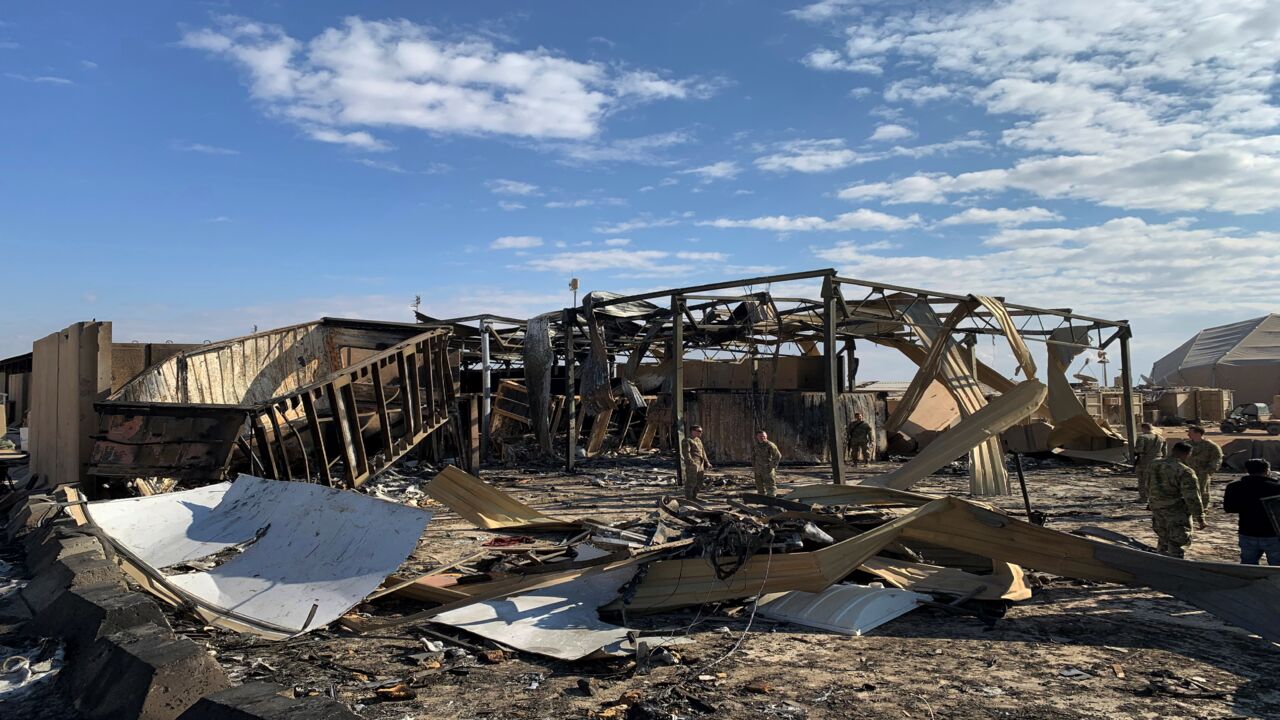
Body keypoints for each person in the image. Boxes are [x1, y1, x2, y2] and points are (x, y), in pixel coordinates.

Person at [1146, 442, 1206, 558]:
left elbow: (1147, 485)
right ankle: (1175, 564)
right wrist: (1200, 517)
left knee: (1163, 537)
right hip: (1175, 509)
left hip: (1157, 507)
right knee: (1178, 540)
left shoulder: (1153, 464)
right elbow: (1192, 496)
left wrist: (1152, 501)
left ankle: (1160, 561)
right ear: (1187, 454)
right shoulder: (1184, 471)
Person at [1223, 458, 1280, 565]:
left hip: (1247, 532)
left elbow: (1229, 508)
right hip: (1272, 534)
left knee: (1248, 567)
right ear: (1267, 470)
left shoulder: (1234, 487)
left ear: (1247, 470)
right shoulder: (1276, 487)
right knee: (1276, 568)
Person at [1186, 425, 1223, 505]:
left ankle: (1203, 507)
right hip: (1188, 471)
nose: (1188, 434)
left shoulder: (1211, 446)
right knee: (1187, 490)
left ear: (1198, 433)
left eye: (1190, 432)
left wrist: (1210, 469)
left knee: (1203, 491)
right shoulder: (1186, 445)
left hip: (1203, 471)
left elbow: (1217, 458)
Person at [1133, 423, 1166, 503]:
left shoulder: (1142, 437)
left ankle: (1144, 498)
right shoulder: (1161, 438)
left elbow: (1139, 450)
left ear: (1143, 428)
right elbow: (1164, 452)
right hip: (1158, 461)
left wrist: (1134, 451)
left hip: (1145, 462)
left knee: (1143, 480)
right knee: (1156, 480)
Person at [681, 425, 711, 500]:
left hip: (700, 463)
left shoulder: (698, 440)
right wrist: (691, 462)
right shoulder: (687, 440)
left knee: (699, 481)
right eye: (699, 431)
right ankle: (688, 498)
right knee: (691, 482)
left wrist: (707, 462)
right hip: (693, 463)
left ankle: (694, 496)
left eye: (701, 431)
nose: (701, 433)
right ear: (693, 431)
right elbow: (686, 453)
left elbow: (703, 452)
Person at [751, 429, 782, 497]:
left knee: (770, 486)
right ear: (757, 437)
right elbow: (753, 456)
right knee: (759, 486)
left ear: (766, 436)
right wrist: (754, 465)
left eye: (764, 436)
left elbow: (778, 456)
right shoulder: (756, 446)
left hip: (767, 470)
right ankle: (762, 500)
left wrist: (771, 466)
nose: (762, 438)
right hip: (758, 469)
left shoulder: (770, 445)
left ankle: (771, 500)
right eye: (760, 436)